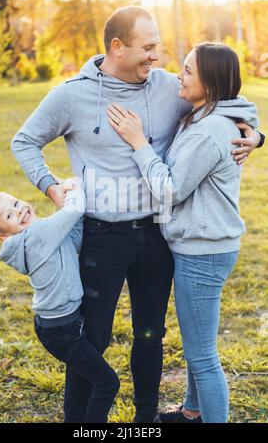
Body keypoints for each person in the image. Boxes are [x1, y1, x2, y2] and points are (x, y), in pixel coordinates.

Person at [10, 6, 262, 423]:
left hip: (159, 236)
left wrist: (256, 135)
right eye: (148, 48)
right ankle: (81, 422)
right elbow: (25, 141)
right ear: (117, 47)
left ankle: (147, 419)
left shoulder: (169, 88)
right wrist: (52, 187)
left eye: (158, 48)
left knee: (150, 336)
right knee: (93, 336)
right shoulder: (72, 94)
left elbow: (228, 100)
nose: (156, 57)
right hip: (100, 237)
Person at [107, 42, 260, 423]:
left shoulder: (208, 130)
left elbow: (171, 189)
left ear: (210, 82)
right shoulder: (204, 115)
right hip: (201, 245)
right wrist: (260, 136)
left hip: (203, 252)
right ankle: (192, 412)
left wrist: (139, 142)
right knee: (197, 342)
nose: (180, 74)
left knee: (203, 355)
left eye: (189, 70)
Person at [0, 181, 120, 423]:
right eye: (9, 215)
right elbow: (73, 211)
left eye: (15, 202)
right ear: (3, 236)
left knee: (79, 374)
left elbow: (74, 237)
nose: (19, 210)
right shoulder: (36, 237)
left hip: (61, 324)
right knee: (107, 383)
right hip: (60, 330)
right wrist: (73, 188)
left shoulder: (42, 234)